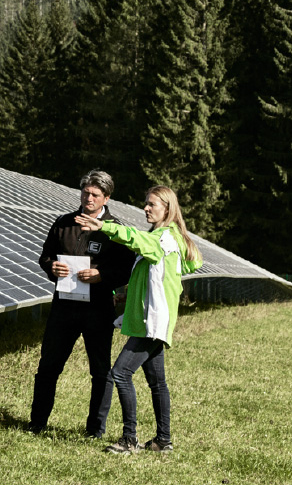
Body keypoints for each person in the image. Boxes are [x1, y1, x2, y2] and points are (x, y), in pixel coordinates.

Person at [76, 185, 203, 454]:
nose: (145, 208)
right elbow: (192, 262)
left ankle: (129, 439)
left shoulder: (163, 239)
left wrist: (105, 227)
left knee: (120, 374)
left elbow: (134, 239)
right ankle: (163, 440)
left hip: (151, 324)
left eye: (151, 204)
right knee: (157, 383)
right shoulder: (168, 238)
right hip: (152, 321)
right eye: (145, 203)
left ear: (167, 209)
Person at [26, 170, 129, 437]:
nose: (89, 198)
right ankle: (36, 423)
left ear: (106, 197)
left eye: (95, 194)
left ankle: (95, 429)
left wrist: (101, 276)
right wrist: (53, 268)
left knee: (100, 371)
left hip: (98, 309)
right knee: (48, 367)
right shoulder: (63, 223)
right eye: (85, 192)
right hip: (63, 307)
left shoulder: (115, 230)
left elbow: (126, 269)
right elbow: (45, 257)